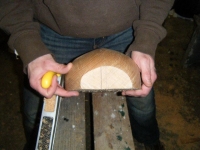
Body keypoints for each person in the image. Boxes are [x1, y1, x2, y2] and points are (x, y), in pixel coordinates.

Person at [0, 0, 174, 149]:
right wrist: (28, 46)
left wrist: (147, 37)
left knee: (142, 104)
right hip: (53, 32)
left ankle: (149, 141)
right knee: (37, 112)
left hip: (128, 31)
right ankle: (37, 144)